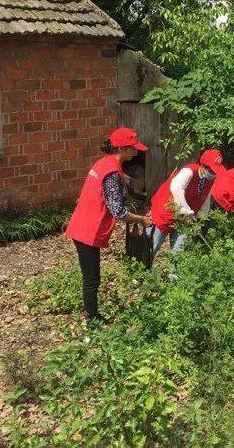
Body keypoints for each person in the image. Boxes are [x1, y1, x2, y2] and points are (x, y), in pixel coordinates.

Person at [65, 127, 152, 323]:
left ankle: (88, 309)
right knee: (92, 279)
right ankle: (92, 319)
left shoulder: (105, 163)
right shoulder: (112, 172)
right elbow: (118, 212)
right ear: (121, 148)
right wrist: (142, 219)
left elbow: (116, 181)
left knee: (90, 276)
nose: (135, 152)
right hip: (88, 229)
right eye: (132, 148)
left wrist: (131, 183)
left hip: (82, 223)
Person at [149, 149, 226, 254]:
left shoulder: (210, 180)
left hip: (185, 219)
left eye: (215, 172)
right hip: (166, 212)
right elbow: (176, 187)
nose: (213, 174)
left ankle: (174, 271)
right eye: (211, 171)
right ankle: (141, 268)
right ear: (203, 166)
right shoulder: (189, 171)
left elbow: (205, 200)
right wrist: (185, 209)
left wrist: (200, 220)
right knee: (152, 246)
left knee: (178, 252)